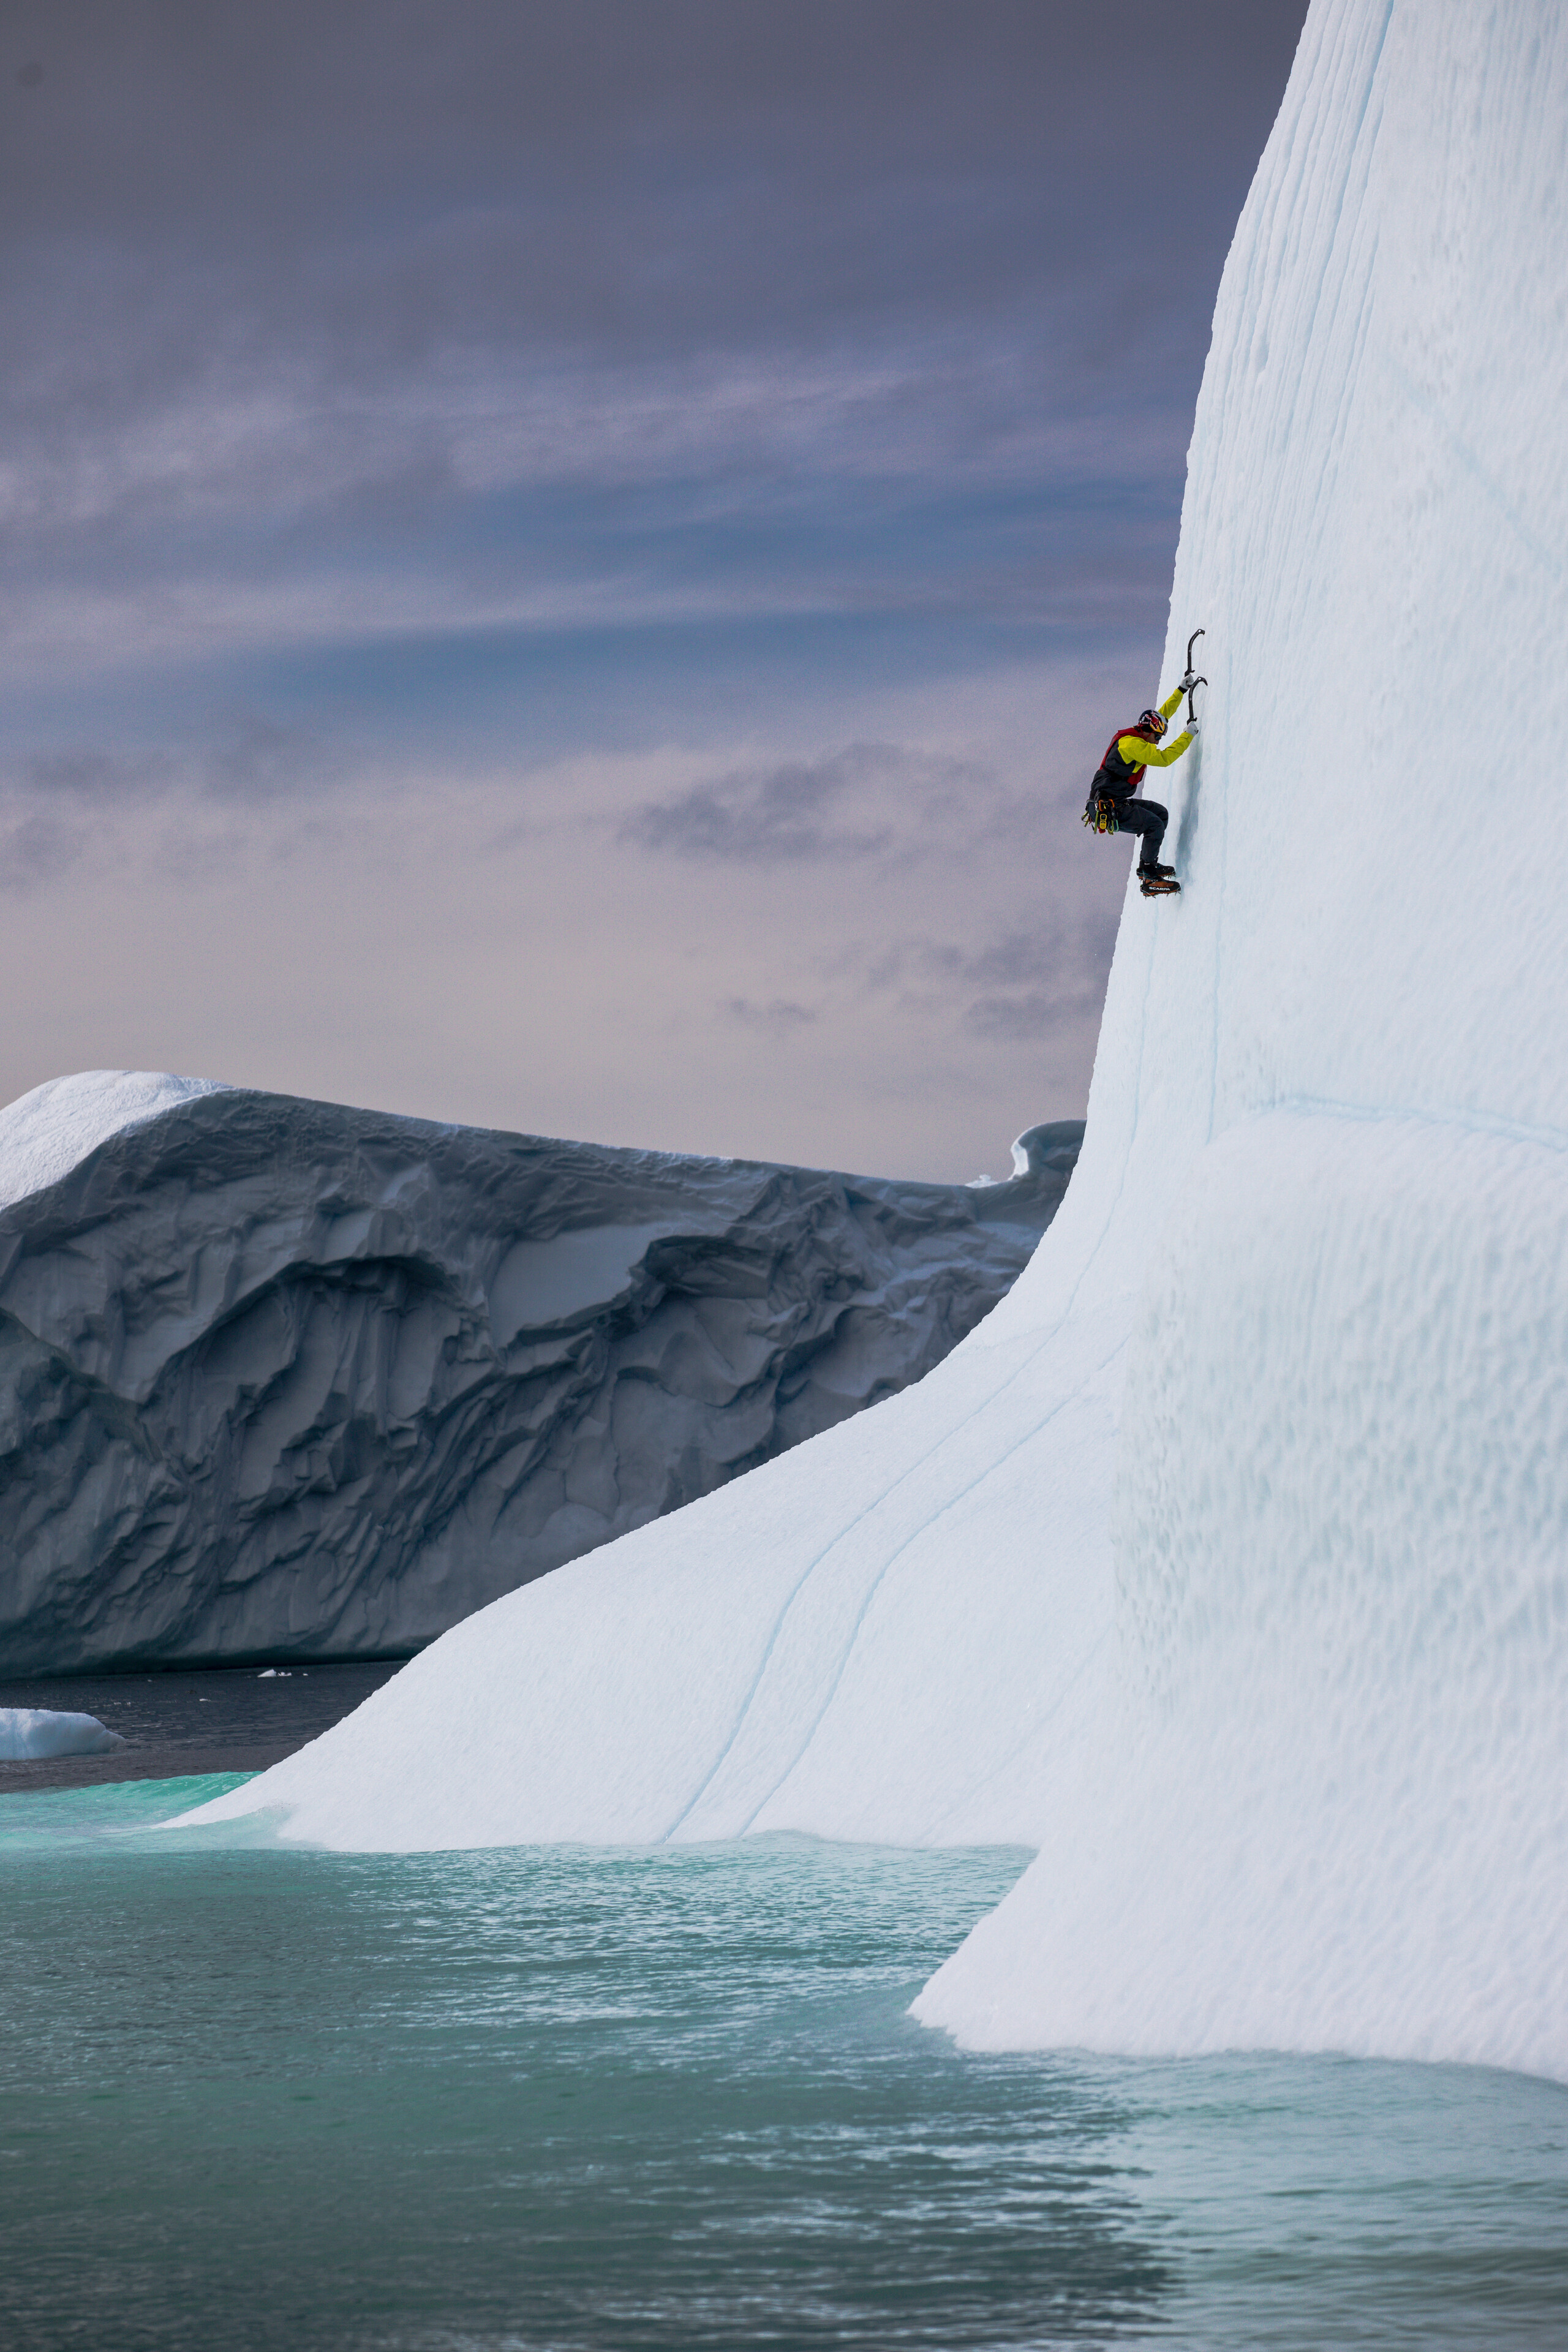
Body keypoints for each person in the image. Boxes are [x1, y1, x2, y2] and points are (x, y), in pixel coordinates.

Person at [1084, 678, 1200, 897]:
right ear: (1147, 731)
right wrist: (1188, 735)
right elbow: (1164, 759)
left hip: (1114, 802)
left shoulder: (1140, 735)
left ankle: (1148, 867)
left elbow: (1163, 715)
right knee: (1154, 825)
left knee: (1160, 814)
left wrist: (1182, 690)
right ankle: (1148, 880)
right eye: (1157, 736)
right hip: (1108, 808)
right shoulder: (1133, 745)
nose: (1157, 741)